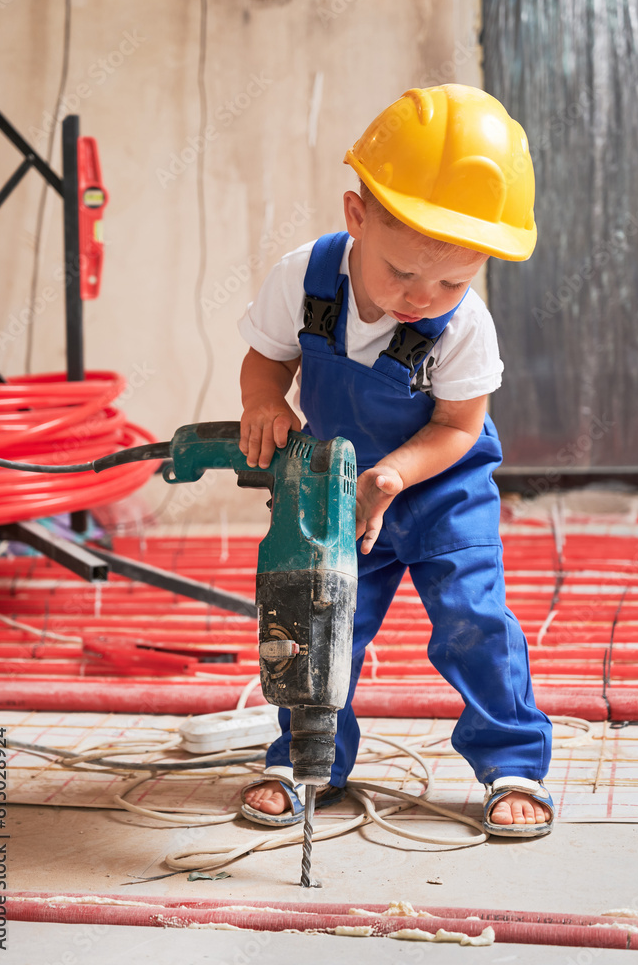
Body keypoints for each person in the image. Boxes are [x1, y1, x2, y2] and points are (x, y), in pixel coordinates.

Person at [237, 84, 554, 838]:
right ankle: (306, 756)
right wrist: (266, 405)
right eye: (402, 273)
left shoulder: (461, 325)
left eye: (451, 279)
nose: (423, 296)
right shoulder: (304, 278)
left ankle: (510, 761)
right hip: (335, 488)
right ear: (357, 217)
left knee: (472, 620)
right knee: (318, 619)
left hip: (440, 488)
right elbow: (265, 361)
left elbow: (456, 425)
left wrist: (397, 477)